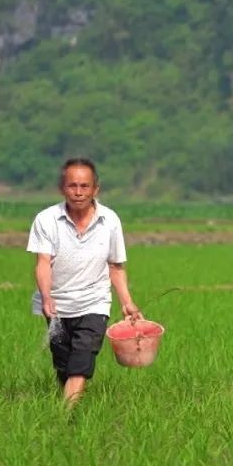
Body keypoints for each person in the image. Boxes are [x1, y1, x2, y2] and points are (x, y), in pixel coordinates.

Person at [27, 158, 142, 405]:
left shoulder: (110, 221)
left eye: (84, 186)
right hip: (57, 304)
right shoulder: (46, 220)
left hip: (94, 302)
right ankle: (70, 411)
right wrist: (46, 297)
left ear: (95, 189)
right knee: (63, 365)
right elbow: (43, 262)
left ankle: (63, 417)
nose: (78, 192)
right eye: (72, 186)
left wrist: (127, 302)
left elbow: (115, 265)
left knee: (81, 362)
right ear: (62, 188)